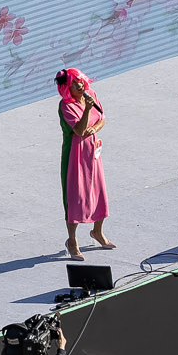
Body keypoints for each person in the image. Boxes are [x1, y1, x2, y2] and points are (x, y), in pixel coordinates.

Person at [51, 67, 112, 261]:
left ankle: (98, 232)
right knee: (75, 199)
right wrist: (86, 109)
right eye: (75, 83)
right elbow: (78, 130)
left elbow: (102, 118)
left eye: (81, 81)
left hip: (92, 152)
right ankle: (72, 241)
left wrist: (95, 127)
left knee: (99, 192)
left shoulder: (91, 94)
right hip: (74, 156)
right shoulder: (65, 106)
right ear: (67, 87)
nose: (80, 85)